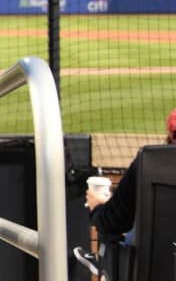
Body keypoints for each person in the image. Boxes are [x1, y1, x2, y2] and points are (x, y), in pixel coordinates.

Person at [72, 107, 176, 276]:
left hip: (155, 271)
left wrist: (98, 206)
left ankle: (103, 262)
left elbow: (113, 221)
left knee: (139, 222)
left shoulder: (150, 163)